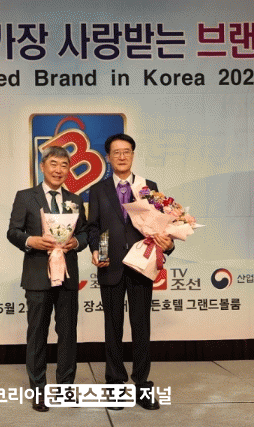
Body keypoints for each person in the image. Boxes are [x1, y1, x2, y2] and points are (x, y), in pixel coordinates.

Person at [87, 133, 174, 410]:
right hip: (110, 266)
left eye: (127, 151)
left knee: (141, 327)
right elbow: (94, 227)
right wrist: (97, 250)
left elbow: (161, 225)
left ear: (133, 155)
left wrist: (168, 244)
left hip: (142, 265)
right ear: (108, 157)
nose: (122, 156)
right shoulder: (98, 190)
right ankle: (115, 386)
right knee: (112, 329)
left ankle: (142, 386)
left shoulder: (148, 187)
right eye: (116, 152)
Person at [7, 146, 88, 412]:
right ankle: (39, 390)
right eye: (53, 164)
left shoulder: (75, 199)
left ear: (68, 169)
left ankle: (65, 388)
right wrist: (31, 240)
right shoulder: (25, 197)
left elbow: (85, 232)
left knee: (68, 334)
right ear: (42, 167)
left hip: (67, 276)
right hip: (37, 276)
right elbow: (13, 231)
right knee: (37, 334)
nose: (58, 170)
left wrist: (77, 242)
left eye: (64, 165)